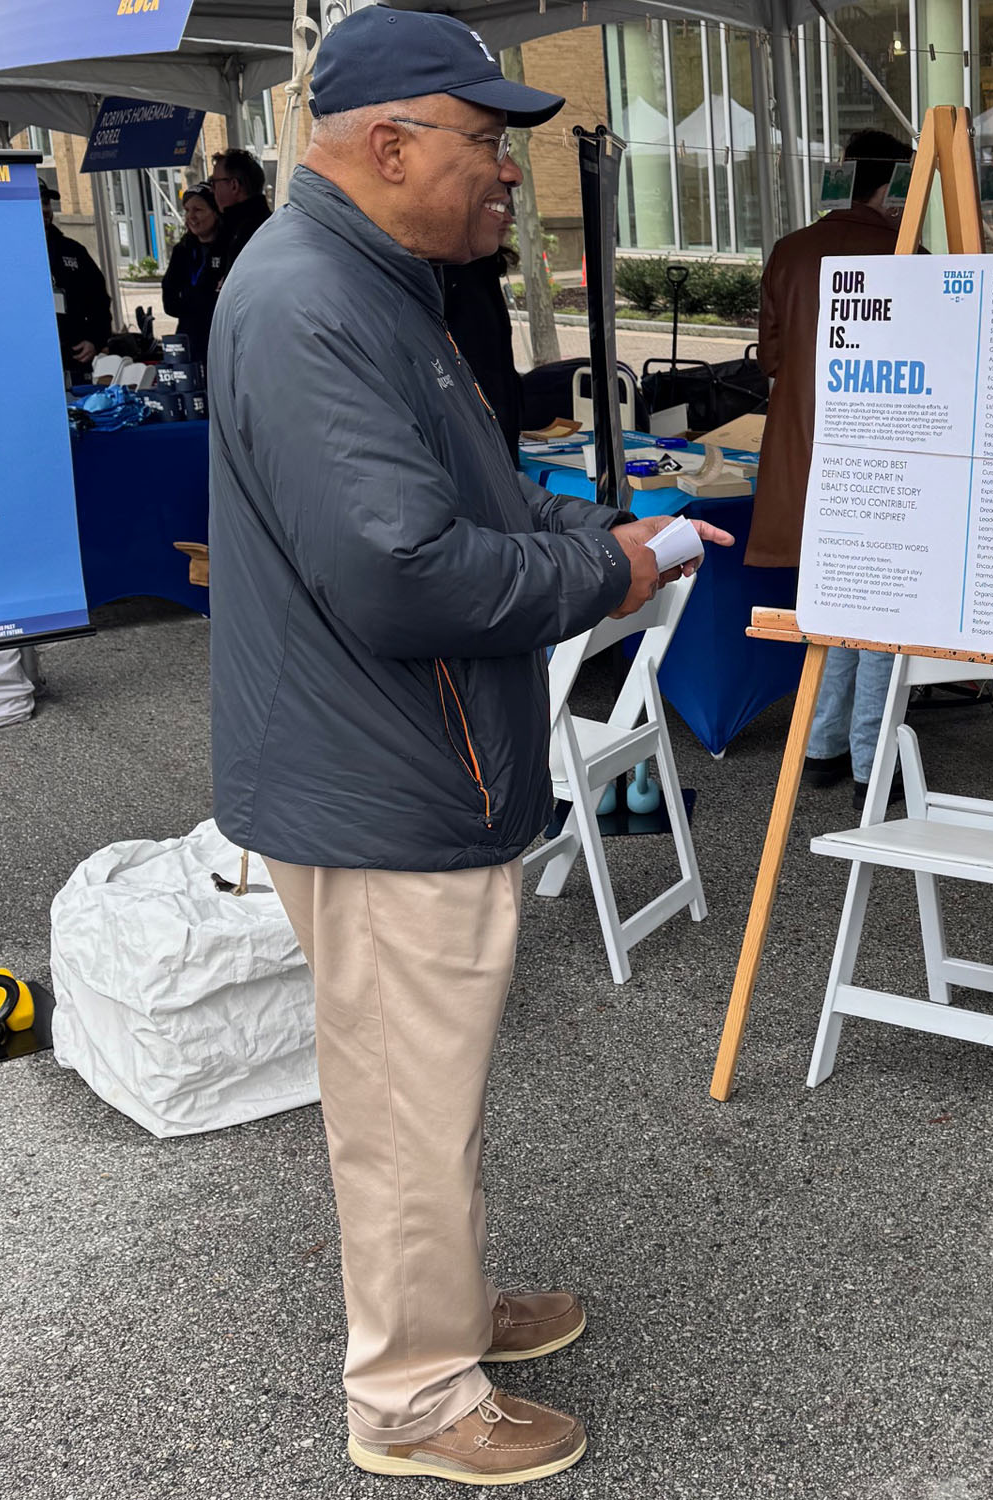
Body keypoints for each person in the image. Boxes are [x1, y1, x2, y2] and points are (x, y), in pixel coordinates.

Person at [206, 8, 729, 1485]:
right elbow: (401, 572)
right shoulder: (316, 300)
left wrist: (592, 534)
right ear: (387, 146)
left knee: (421, 1087)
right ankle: (417, 1398)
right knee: (398, 1104)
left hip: (395, 760)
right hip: (382, 776)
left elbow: (476, 500)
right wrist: (609, 574)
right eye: (488, 144)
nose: (509, 174)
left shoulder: (376, 285)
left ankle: (444, 1309)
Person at [750, 128, 914, 810]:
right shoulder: (908, 257)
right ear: (894, 184)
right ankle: (870, 760)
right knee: (877, 614)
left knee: (828, 602)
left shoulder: (789, 253)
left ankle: (821, 745)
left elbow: (769, 359)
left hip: (801, 459)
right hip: (878, 461)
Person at [440, 249, 523, 461]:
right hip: (479, 437)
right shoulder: (452, 276)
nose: (506, 219)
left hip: (499, 431)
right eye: (497, 212)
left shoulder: (483, 271)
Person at [43, 182, 111, 384]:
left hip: (74, 358)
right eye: (37, 202)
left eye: (46, 202)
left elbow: (100, 300)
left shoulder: (73, 251)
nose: (44, 209)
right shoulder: (8, 254)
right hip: (34, 357)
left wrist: (95, 340)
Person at [158, 185, 229, 365]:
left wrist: (192, 299)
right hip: (188, 340)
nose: (191, 217)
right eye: (187, 210)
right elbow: (170, 299)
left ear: (215, 212)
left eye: (198, 210)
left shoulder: (229, 249)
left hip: (220, 340)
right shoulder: (182, 250)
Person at [209, 146, 273, 266]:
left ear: (234, 185)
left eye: (214, 183)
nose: (212, 190)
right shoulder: (227, 227)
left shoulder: (252, 234)